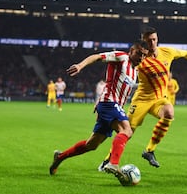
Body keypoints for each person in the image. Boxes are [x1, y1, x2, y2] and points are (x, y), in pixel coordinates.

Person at [98, 26, 187, 169]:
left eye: (154, 39)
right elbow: (119, 74)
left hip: (159, 99)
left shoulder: (167, 52)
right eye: (148, 41)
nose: (152, 43)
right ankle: (108, 159)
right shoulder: (139, 58)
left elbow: (186, 54)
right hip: (141, 99)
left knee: (169, 112)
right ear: (143, 42)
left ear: (157, 38)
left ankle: (149, 150)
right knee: (127, 132)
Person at [49, 41, 149, 185]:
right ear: (131, 50)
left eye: (144, 55)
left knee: (91, 145)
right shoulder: (121, 57)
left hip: (110, 106)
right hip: (109, 103)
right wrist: (80, 66)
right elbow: (96, 56)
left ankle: (60, 157)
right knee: (126, 130)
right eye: (139, 53)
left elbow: (117, 85)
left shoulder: (135, 71)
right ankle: (113, 163)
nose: (141, 57)